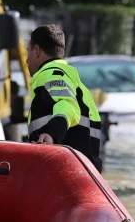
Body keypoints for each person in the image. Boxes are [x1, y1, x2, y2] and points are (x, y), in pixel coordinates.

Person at [26, 25, 104, 170]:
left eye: (28, 52)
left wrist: (52, 134)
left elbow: (67, 105)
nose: (26, 60)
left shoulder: (52, 74)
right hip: (85, 175)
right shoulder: (80, 87)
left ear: (36, 51)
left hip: (62, 171)